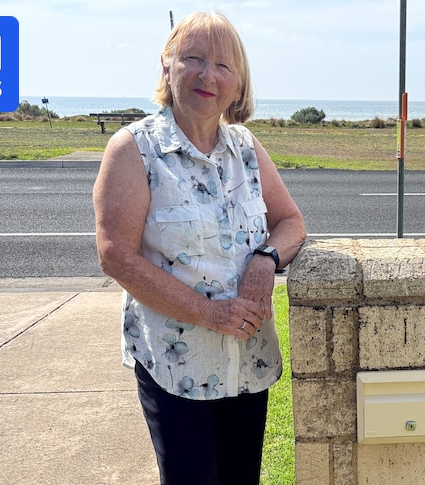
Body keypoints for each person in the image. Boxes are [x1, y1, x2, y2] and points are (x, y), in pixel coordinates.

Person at [92, 11, 307, 484]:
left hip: (248, 362)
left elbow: (290, 222)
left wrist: (265, 260)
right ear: (167, 67)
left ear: (238, 85)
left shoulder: (246, 148)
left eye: (224, 66)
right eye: (193, 58)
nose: (208, 74)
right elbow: (115, 254)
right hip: (176, 365)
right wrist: (208, 313)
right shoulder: (134, 149)